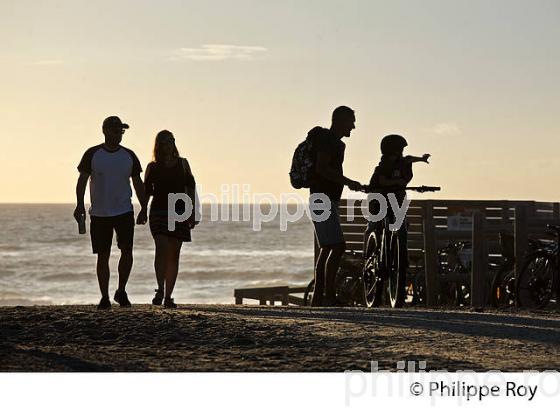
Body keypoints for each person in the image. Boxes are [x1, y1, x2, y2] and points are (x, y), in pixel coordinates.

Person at [74, 116, 147, 310]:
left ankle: (121, 291)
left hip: (124, 211)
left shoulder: (129, 155)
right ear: (105, 130)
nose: (118, 134)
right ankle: (104, 296)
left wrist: (144, 207)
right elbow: (82, 181)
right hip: (99, 213)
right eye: (115, 130)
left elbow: (138, 183)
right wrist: (80, 205)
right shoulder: (93, 154)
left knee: (127, 250)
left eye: (121, 131)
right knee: (103, 255)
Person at [309, 106, 363, 307]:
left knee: (328, 248)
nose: (354, 127)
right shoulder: (329, 141)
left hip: (326, 199)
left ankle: (319, 297)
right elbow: (322, 168)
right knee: (338, 246)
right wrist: (348, 181)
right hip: (321, 200)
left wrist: (346, 183)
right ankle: (328, 296)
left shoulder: (336, 143)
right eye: (351, 121)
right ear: (341, 121)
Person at [144, 130, 198, 309]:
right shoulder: (153, 167)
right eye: (164, 141)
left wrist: (192, 212)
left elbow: (190, 188)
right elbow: (146, 192)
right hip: (158, 211)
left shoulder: (183, 164)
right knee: (162, 248)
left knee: (174, 255)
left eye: (171, 141)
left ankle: (168, 296)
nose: (168, 145)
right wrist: (143, 211)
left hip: (179, 211)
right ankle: (160, 289)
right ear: (158, 145)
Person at [365, 134, 430, 260]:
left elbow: (409, 159)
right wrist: (397, 182)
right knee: (374, 225)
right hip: (379, 200)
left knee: (399, 221)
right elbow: (382, 181)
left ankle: (398, 253)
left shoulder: (400, 162)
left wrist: (422, 159)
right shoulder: (384, 166)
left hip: (393, 200)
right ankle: (367, 255)